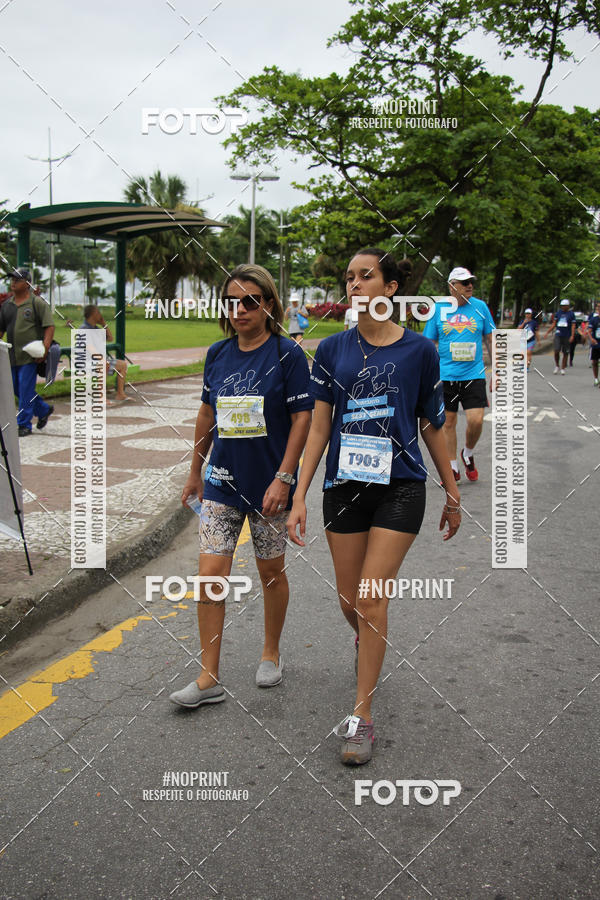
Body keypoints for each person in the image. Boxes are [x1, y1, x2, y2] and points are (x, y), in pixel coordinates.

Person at [287, 248, 460, 766]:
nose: (355, 284)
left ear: (390, 289)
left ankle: (361, 716)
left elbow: (431, 424)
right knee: (350, 603)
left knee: (370, 598)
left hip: (400, 487)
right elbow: (319, 427)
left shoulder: (420, 351)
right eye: (349, 277)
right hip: (344, 488)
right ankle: (369, 642)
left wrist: (451, 489)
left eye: (366, 276)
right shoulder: (331, 349)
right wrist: (298, 493)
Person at [172, 264, 313, 709]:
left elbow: (302, 419)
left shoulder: (287, 354)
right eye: (231, 301)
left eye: (250, 300)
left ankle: (271, 652)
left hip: (270, 488)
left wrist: (284, 479)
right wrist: (195, 471)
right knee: (210, 575)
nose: (240, 309)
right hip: (221, 484)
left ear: (269, 304)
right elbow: (206, 415)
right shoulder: (217, 353)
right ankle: (208, 676)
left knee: (270, 572)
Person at [423, 266, 495, 483]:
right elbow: (428, 343)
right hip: (445, 375)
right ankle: (452, 466)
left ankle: (468, 453)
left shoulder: (480, 307)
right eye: (464, 283)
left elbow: (491, 339)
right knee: (449, 422)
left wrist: (498, 371)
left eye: (471, 282)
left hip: (474, 374)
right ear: (452, 286)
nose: (469, 286)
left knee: (476, 420)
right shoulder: (438, 309)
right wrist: (425, 374)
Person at [0, 268, 54, 436]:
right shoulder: (7, 305)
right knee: (16, 388)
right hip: (11, 356)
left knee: (25, 388)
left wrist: (45, 348)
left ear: (27, 283)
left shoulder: (36, 303)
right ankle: (43, 409)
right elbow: (1, 329)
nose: (13, 283)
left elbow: (49, 326)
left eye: (17, 280)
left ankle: (24, 424)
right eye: (12, 280)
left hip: (30, 357)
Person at [80, 304, 129, 404]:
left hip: (97, 360)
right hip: (86, 361)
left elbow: (110, 338)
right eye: (98, 312)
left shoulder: (96, 329)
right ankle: (100, 397)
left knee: (123, 365)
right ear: (93, 314)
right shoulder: (84, 329)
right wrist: (102, 360)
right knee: (103, 364)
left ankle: (120, 394)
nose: (100, 315)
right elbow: (89, 348)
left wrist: (103, 324)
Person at [543, 299, 575, 375]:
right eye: (562, 306)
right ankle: (557, 365)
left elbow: (573, 325)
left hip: (567, 335)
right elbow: (554, 324)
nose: (563, 307)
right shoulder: (558, 313)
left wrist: (572, 335)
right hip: (558, 334)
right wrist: (547, 332)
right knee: (556, 350)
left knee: (565, 352)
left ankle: (563, 368)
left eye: (564, 306)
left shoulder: (571, 314)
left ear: (568, 306)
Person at [588, 301, 600, 386]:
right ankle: (596, 378)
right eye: (598, 307)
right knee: (595, 362)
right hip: (596, 344)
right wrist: (591, 339)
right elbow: (589, 331)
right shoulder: (593, 319)